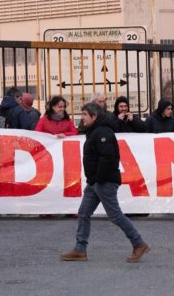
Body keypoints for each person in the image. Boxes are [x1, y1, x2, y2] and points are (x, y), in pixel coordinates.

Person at [59, 103, 150, 263]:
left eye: (85, 114)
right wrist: (94, 180)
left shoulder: (103, 132)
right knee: (84, 213)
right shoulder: (94, 131)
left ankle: (138, 243)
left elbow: (108, 158)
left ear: (94, 116)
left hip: (104, 181)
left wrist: (97, 179)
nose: (82, 118)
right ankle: (80, 249)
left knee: (115, 215)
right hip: (95, 181)